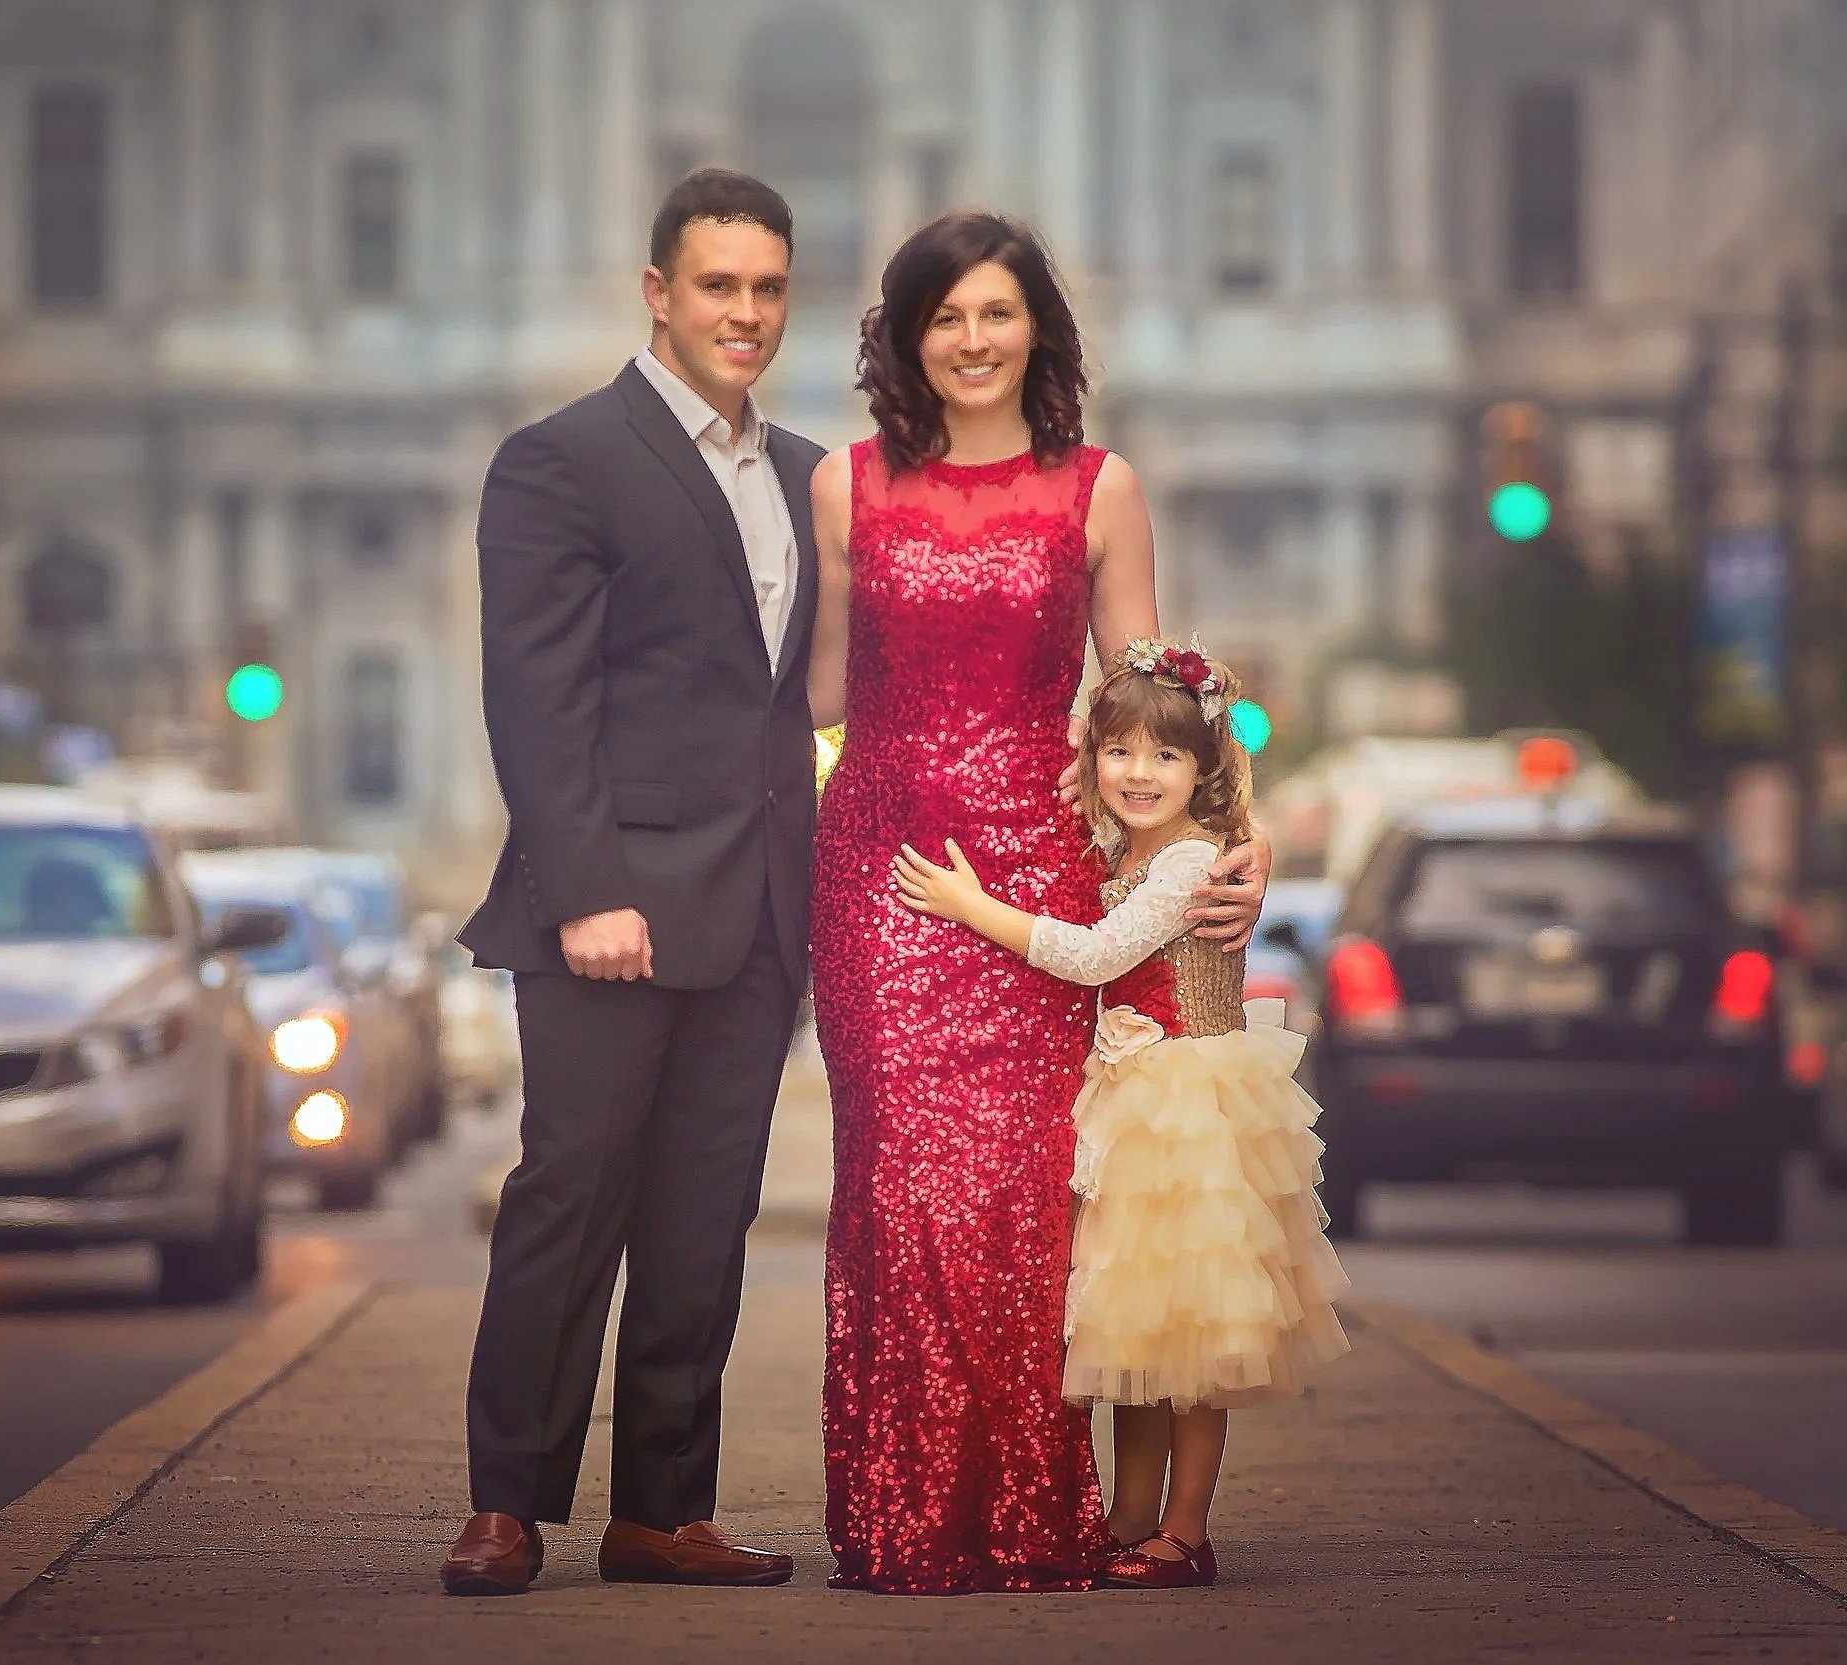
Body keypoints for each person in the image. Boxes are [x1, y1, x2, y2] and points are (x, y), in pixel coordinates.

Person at [803, 212, 1269, 1595]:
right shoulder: (843, 487)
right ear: (902, 337)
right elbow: (816, 694)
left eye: (994, 313)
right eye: (941, 316)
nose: (969, 340)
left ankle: (1026, 1509)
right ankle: (899, 1510)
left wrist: (1238, 848)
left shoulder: (1099, 487)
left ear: (1036, 332)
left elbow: (1153, 708)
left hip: (1035, 864)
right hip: (881, 874)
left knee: (1025, 1198)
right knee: (897, 1186)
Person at [443, 169, 815, 1597]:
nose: (743, 312)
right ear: (656, 293)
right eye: (716, 285)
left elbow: (800, 704)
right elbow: (535, 700)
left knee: (700, 1215)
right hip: (610, 908)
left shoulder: (802, 477)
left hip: (757, 913)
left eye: (765, 287)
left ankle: (663, 1509)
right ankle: (506, 1502)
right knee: (569, 1193)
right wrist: (585, 887)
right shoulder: (561, 458)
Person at [891, 640, 1351, 1590]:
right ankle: (1129, 1516)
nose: (1140, 773)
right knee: (1137, 1328)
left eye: (1167, 756)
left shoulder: (1189, 861)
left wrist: (968, 904)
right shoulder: (1119, 848)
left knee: (1192, 1336)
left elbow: (1093, 955)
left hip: (1187, 1110)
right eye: (1121, 752)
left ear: (1205, 769)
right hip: (1132, 1104)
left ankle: (1186, 1529)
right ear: (1091, 757)